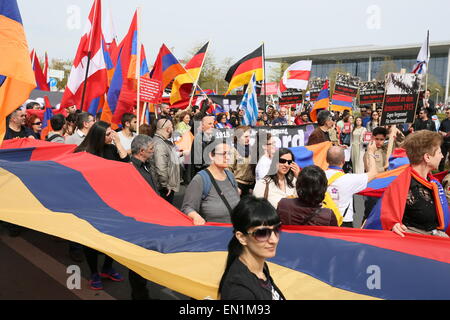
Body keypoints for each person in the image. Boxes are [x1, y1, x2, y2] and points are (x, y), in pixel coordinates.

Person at [74, 121, 129, 290]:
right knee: (91, 240)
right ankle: (94, 273)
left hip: (112, 202)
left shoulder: (112, 149)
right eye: (108, 134)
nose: (112, 136)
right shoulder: (82, 153)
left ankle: (107, 267)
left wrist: (118, 143)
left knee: (113, 238)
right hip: (90, 204)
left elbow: (126, 164)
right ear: (98, 135)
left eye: (112, 132)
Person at [366, 131, 449, 238]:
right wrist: (394, 225)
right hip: (415, 244)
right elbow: (385, 214)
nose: (442, 156)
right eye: (439, 152)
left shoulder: (433, 182)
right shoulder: (402, 184)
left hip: (435, 240)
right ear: (427, 157)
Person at [218, 196, 285, 300]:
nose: (274, 240)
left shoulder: (260, 268)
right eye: (262, 233)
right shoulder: (240, 292)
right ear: (242, 237)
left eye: (276, 229)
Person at [128, 135, 159, 300]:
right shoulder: (129, 169)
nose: (153, 152)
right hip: (139, 224)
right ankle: (139, 296)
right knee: (137, 264)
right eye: (151, 149)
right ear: (141, 151)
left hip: (152, 220)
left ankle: (143, 293)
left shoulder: (147, 165)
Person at [181, 140, 240, 225]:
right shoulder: (200, 179)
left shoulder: (230, 176)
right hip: (214, 232)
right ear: (211, 156)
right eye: (223, 154)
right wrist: (196, 216)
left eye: (229, 154)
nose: (228, 157)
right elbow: (187, 207)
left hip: (234, 231)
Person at [326, 143, 378, 228]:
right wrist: (371, 152)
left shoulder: (318, 176)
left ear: (326, 160)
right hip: (344, 222)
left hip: (323, 221)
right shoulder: (350, 179)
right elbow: (373, 173)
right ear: (343, 160)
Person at [152, 118, 181, 204]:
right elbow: (160, 167)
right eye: (172, 127)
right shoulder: (159, 144)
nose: (173, 129)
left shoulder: (162, 142)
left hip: (166, 186)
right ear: (168, 129)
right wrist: (165, 185)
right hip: (164, 189)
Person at [229, 126, 256, 196]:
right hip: (238, 185)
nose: (248, 139)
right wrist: (234, 186)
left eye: (249, 136)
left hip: (252, 185)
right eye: (246, 137)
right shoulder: (233, 151)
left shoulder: (252, 149)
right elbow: (228, 170)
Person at [190, 114, 216, 179]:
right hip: (201, 174)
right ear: (203, 126)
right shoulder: (198, 138)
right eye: (210, 124)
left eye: (213, 124)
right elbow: (198, 163)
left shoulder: (213, 138)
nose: (212, 126)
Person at [438, 107, 450, 171]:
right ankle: (441, 171)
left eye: (448, 113)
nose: (447, 114)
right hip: (444, 142)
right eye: (446, 112)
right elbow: (439, 130)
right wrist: (442, 132)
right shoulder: (444, 121)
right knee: (442, 158)